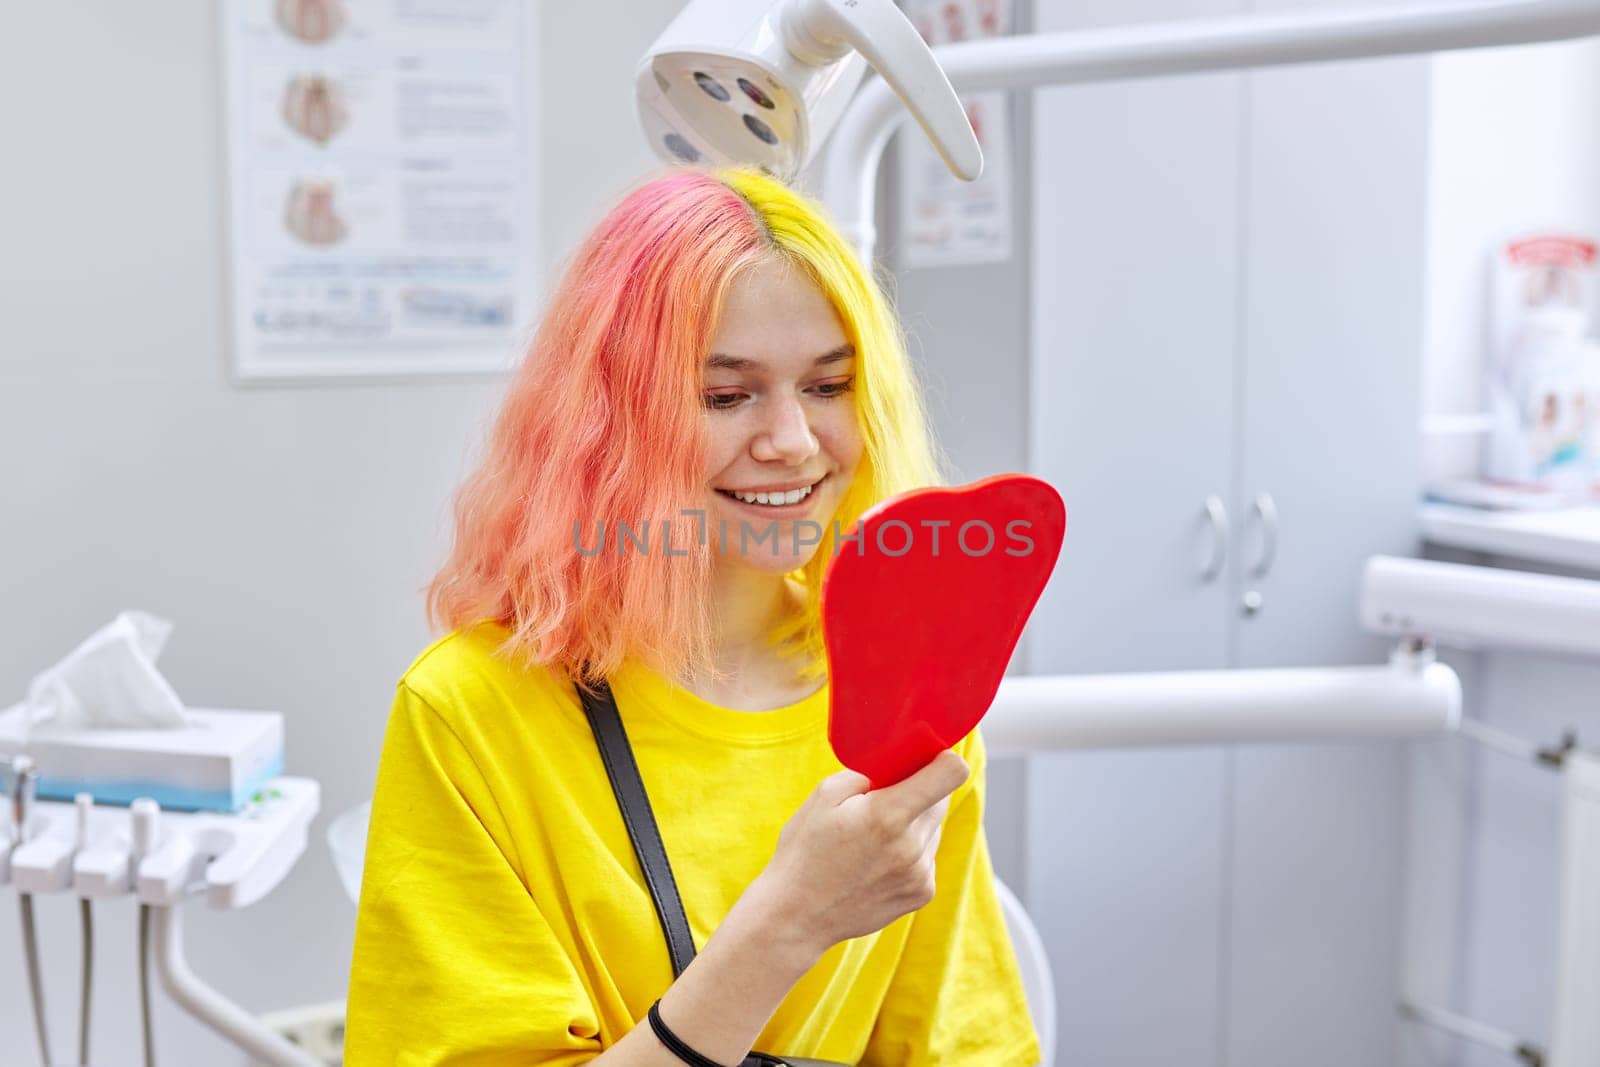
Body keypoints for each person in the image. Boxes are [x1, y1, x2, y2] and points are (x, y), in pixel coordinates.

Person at [344, 167, 1041, 1066]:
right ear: (606, 423)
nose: (791, 440)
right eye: (726, 395)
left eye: (828, 387)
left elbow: (966, 1046)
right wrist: (790, 921)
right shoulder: (470, 718)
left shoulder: (913, 701)